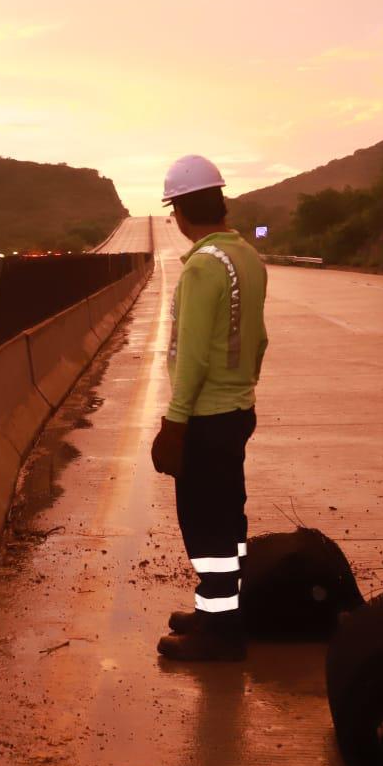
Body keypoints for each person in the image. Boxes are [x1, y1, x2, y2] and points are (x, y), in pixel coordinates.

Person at [150, 155, 269, 661]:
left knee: (204, 523)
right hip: (236, 410)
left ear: (179, 209)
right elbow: (258, 341)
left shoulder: (202, 266)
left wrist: (175, 422)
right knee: (229, 518)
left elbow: (193, 355)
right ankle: (222, 610)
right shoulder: (247, 257)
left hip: (205, 416)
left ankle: (220, 635)